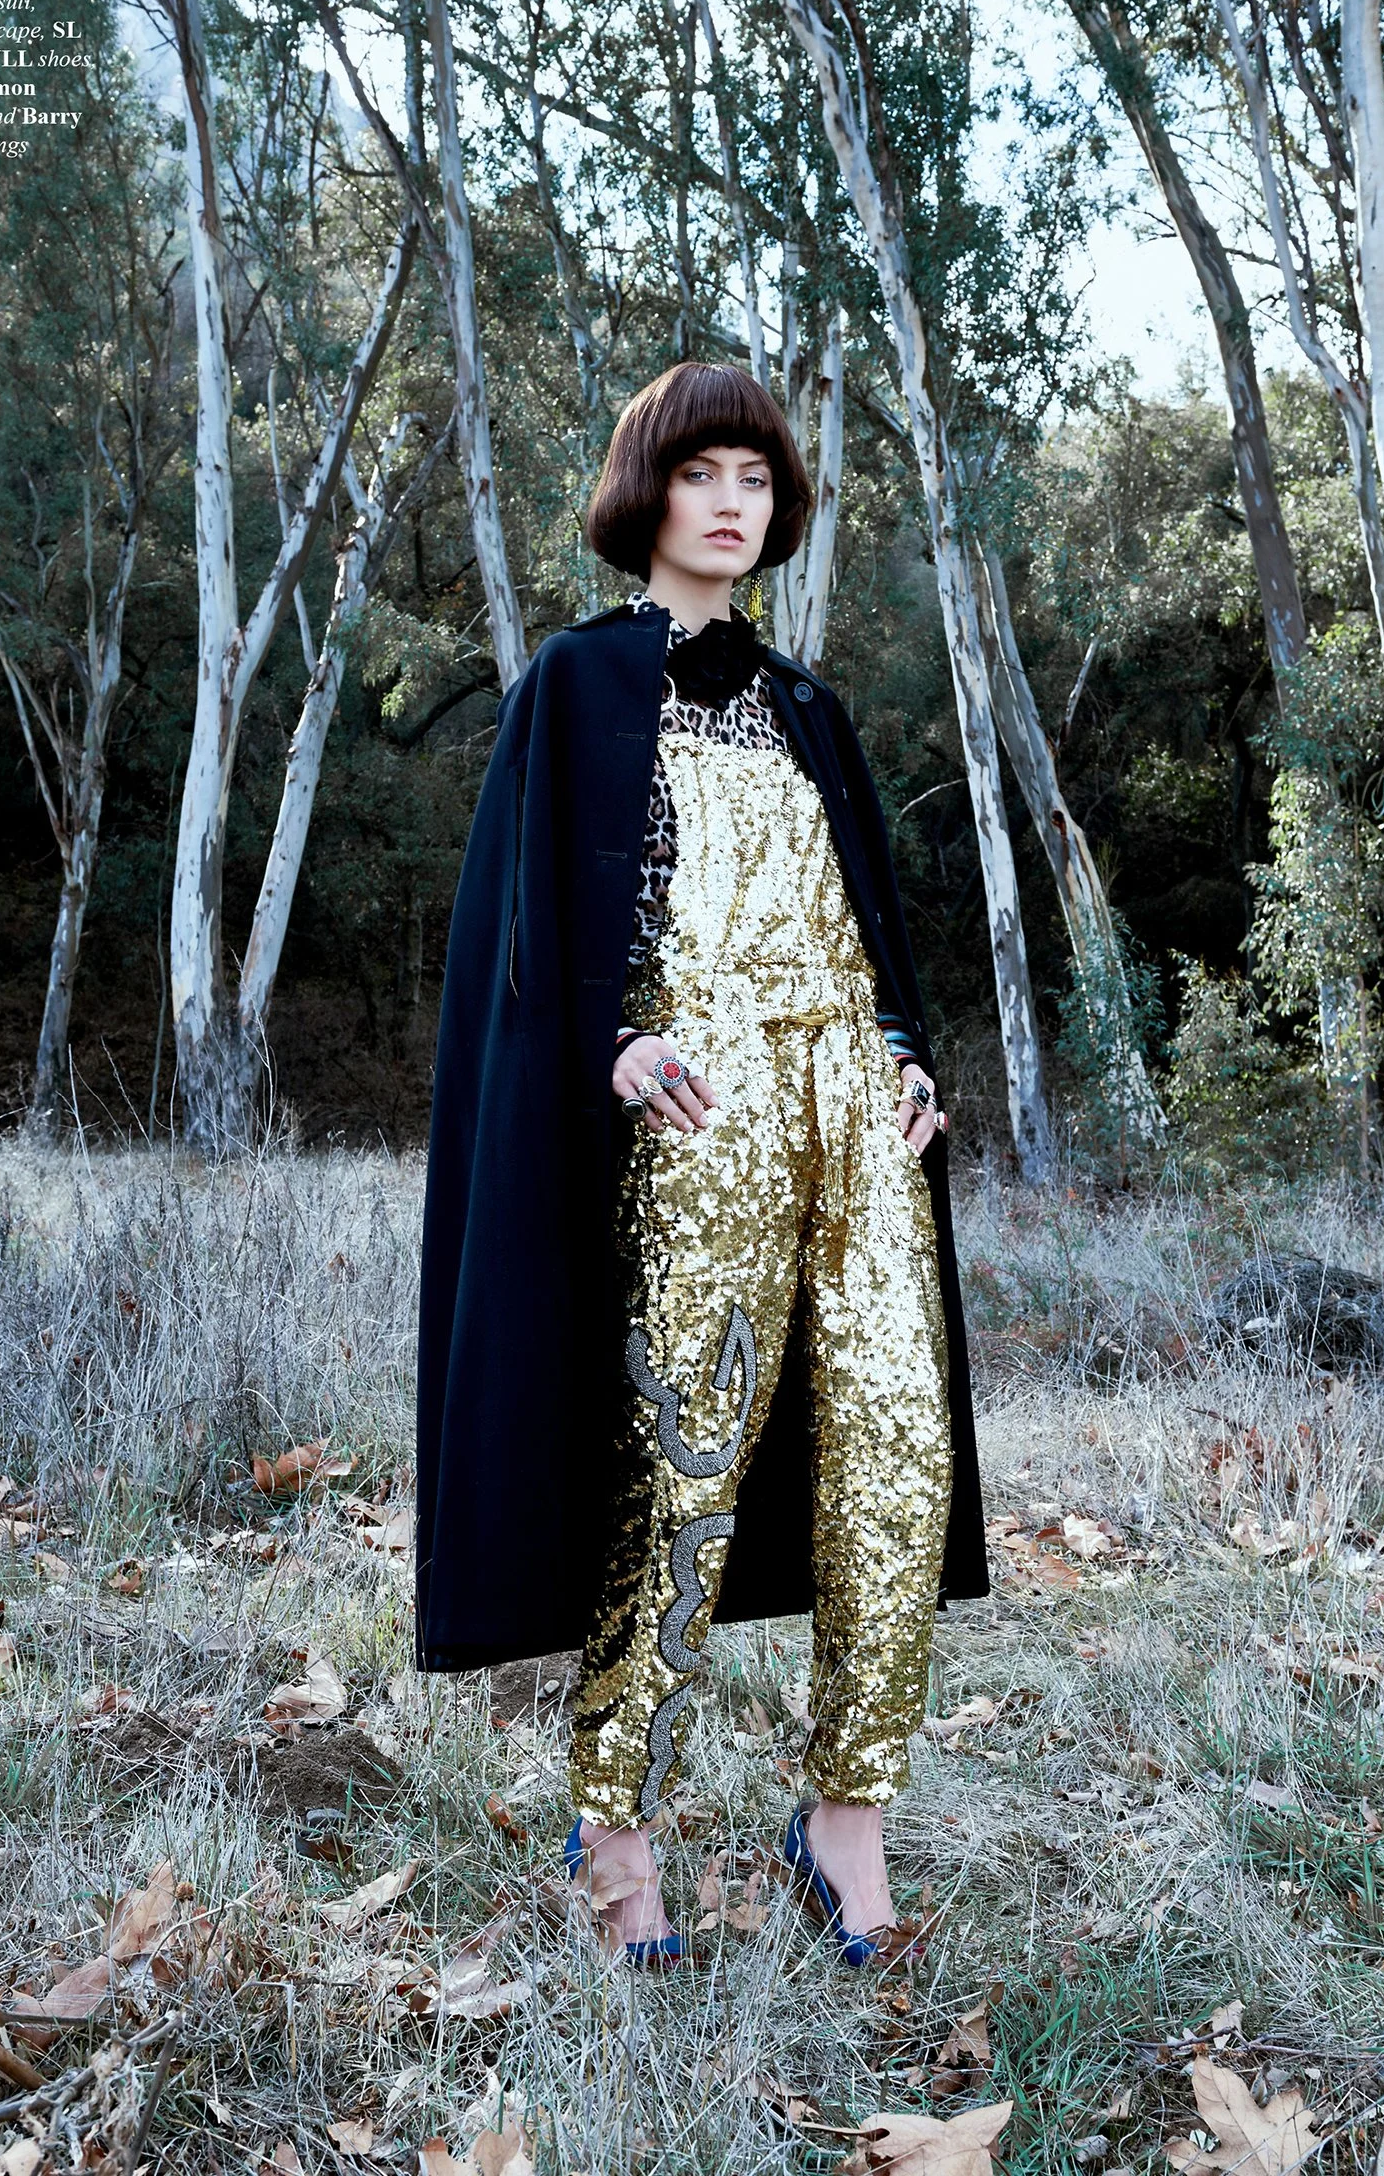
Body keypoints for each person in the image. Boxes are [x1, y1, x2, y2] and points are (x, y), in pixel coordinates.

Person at [414, 361, 988, 1968]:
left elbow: (865, 922)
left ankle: (843, 1819)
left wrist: (901, 1056)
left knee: (894, 1456)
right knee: (682, 1469)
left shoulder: (807, 705)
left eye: (756, 476)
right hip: (698, 1102)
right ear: (647, 494)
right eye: (700, 472)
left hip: (850, 1113)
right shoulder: (579, 683)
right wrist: (607, 1049)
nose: (732, 501)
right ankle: (619, 1827)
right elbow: (527, 937)